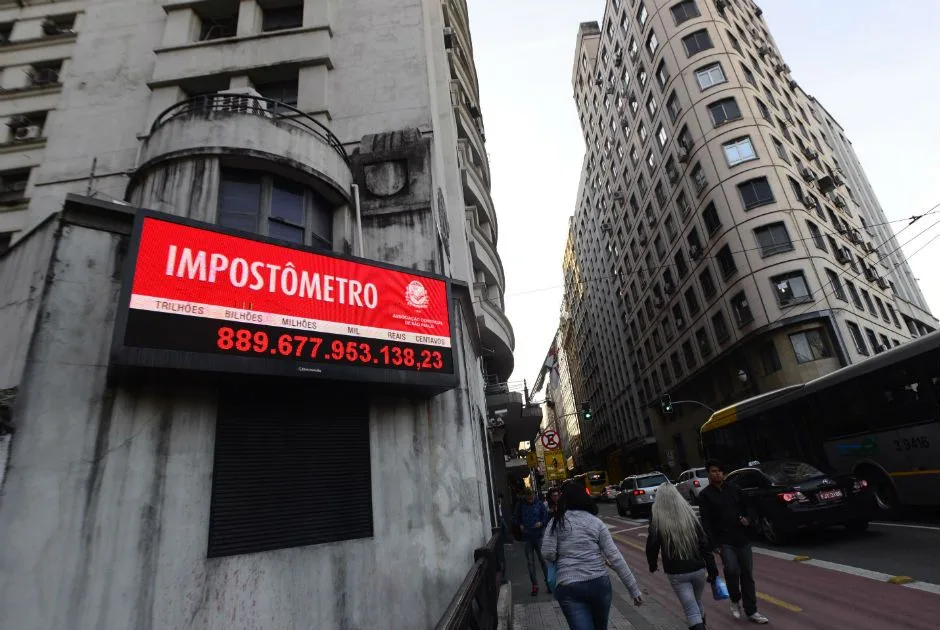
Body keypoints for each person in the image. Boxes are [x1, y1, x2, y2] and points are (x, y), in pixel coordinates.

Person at [542, 481, 643, 630]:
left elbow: (547, 552)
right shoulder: (596, 523)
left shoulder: (557, 522)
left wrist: (564, 555)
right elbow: (615, 557)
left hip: (569, 586)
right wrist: (633, 588)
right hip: (599, 584)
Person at [698, 459, 769, 624]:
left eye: (720, 471)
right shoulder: (705, 495)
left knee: (747, 574)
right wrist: (713, 544)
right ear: (708, 473)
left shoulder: (735, 489)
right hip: (723, 540)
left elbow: (748, 508)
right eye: (714, 471)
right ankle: (735, 600)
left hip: (741, 538)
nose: (718, 474)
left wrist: (748, 520)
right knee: (732, 569)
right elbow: (706, 522)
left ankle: (752, 611)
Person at [646, 483, 718, 630]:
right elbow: (703, 543)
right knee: (696, 601)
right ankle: (702, 624)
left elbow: (652, 545)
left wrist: (652, 564)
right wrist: (712, 568)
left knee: (691, 609)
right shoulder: (688, 513)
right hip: (698, 568)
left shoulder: (657, 517)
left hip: (676, 571)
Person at [513, 488, 551, 595]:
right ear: (525, 497)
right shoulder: (521, 505)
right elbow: (515, 518)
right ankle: (535, 585)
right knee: (530, 563)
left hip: (539, 536)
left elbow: (546, 517)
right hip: (527, 538)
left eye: (531, 498)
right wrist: (520, 524)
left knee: (543, 561)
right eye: (528, 498)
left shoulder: (540, 505)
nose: (530, 500)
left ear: (534, 496)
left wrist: (541, 523)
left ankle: (549, 584)